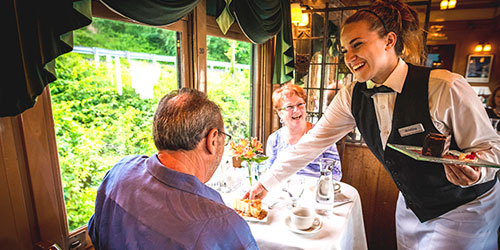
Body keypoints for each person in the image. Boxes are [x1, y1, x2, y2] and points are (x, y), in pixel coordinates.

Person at [246, 1, 500, 249]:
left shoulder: (445, 86)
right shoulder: (351, 96)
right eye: (345, 50)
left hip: (465, 208)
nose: (350, 57)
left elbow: (492, 147)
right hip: (411, 205)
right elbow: (310, 144)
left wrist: (477, 171)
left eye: (357, 45)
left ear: (389, 41)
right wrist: (265, 183)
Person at [88, 88, 258, 250]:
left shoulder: (119, 172)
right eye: (223, 138)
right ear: (212, 140)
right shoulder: (225, 226)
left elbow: (96, 232)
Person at [266, 82, 342, 179]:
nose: (296, 110)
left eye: (300, 104)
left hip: (316, 191)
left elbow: (336, 173)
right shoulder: (274, 140)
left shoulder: (322, 134)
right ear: (280, 113)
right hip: (286, 192)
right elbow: (270, 174)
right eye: (289, 107)